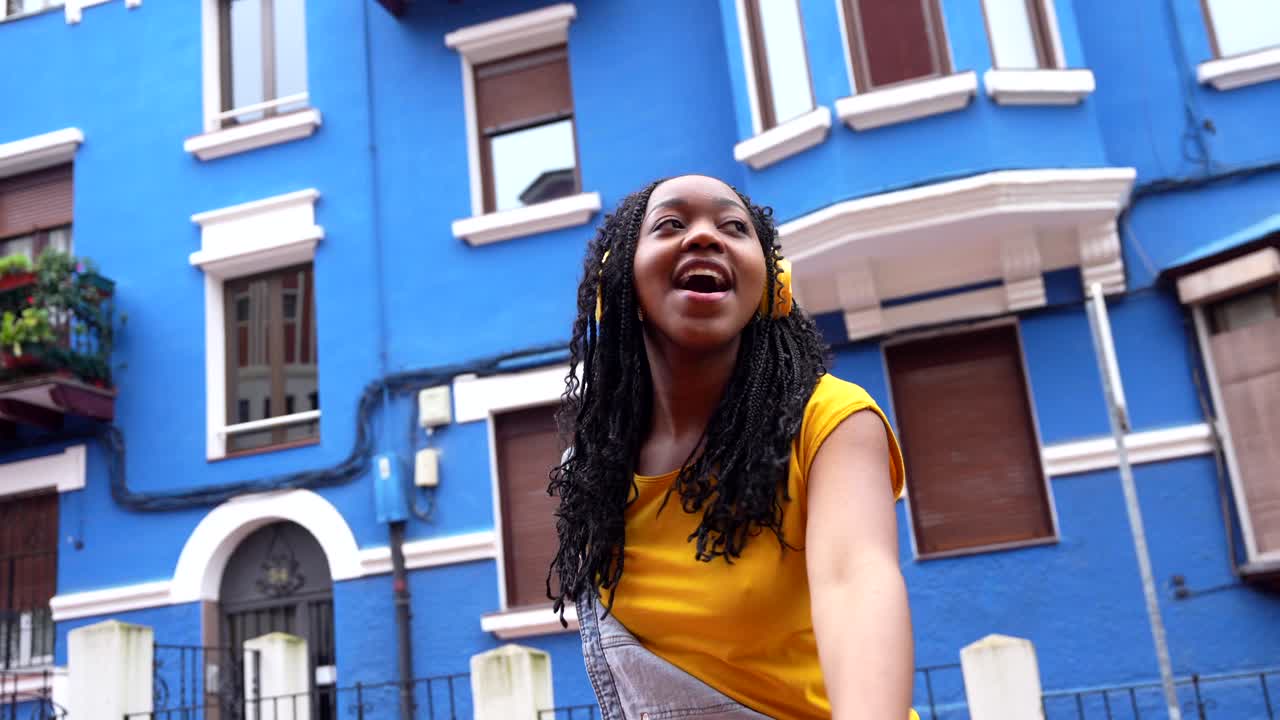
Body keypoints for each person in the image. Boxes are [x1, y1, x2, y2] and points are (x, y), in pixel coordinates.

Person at [549, 175, 915, 720]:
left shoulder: (832, 419)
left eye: (734, 227)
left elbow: (854, 581)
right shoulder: (593, 469)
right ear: (619, 285)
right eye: (671, 224)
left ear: (773, 285)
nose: (705, 238)